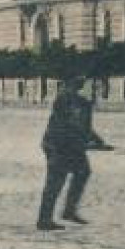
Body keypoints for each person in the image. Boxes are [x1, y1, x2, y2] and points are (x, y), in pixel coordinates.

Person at [36, 74, 111, 231]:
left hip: (73, 145)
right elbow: (71, 123)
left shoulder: (81, 102)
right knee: (55, 181)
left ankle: (69, 211)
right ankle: (44, 220)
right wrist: (87, 141)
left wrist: (97, 141)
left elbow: (84, 126)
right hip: (58, 145)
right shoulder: (64, 99)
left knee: (83, 172)